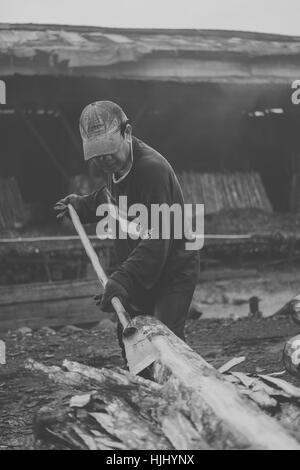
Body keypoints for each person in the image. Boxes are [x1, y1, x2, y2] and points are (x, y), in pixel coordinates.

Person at [55, 101, 199, 346]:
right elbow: (110, 198)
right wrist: (81, 205)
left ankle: (187, 383)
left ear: (127, 133)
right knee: (131, 337)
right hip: (142, 264)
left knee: (164, 340)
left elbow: (159, 237)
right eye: (97, 153)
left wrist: (123, 279)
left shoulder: (151, 171)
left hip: (173, 268)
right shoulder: (115, 165)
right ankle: (141, 384)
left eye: (108, 149)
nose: (104, 159)